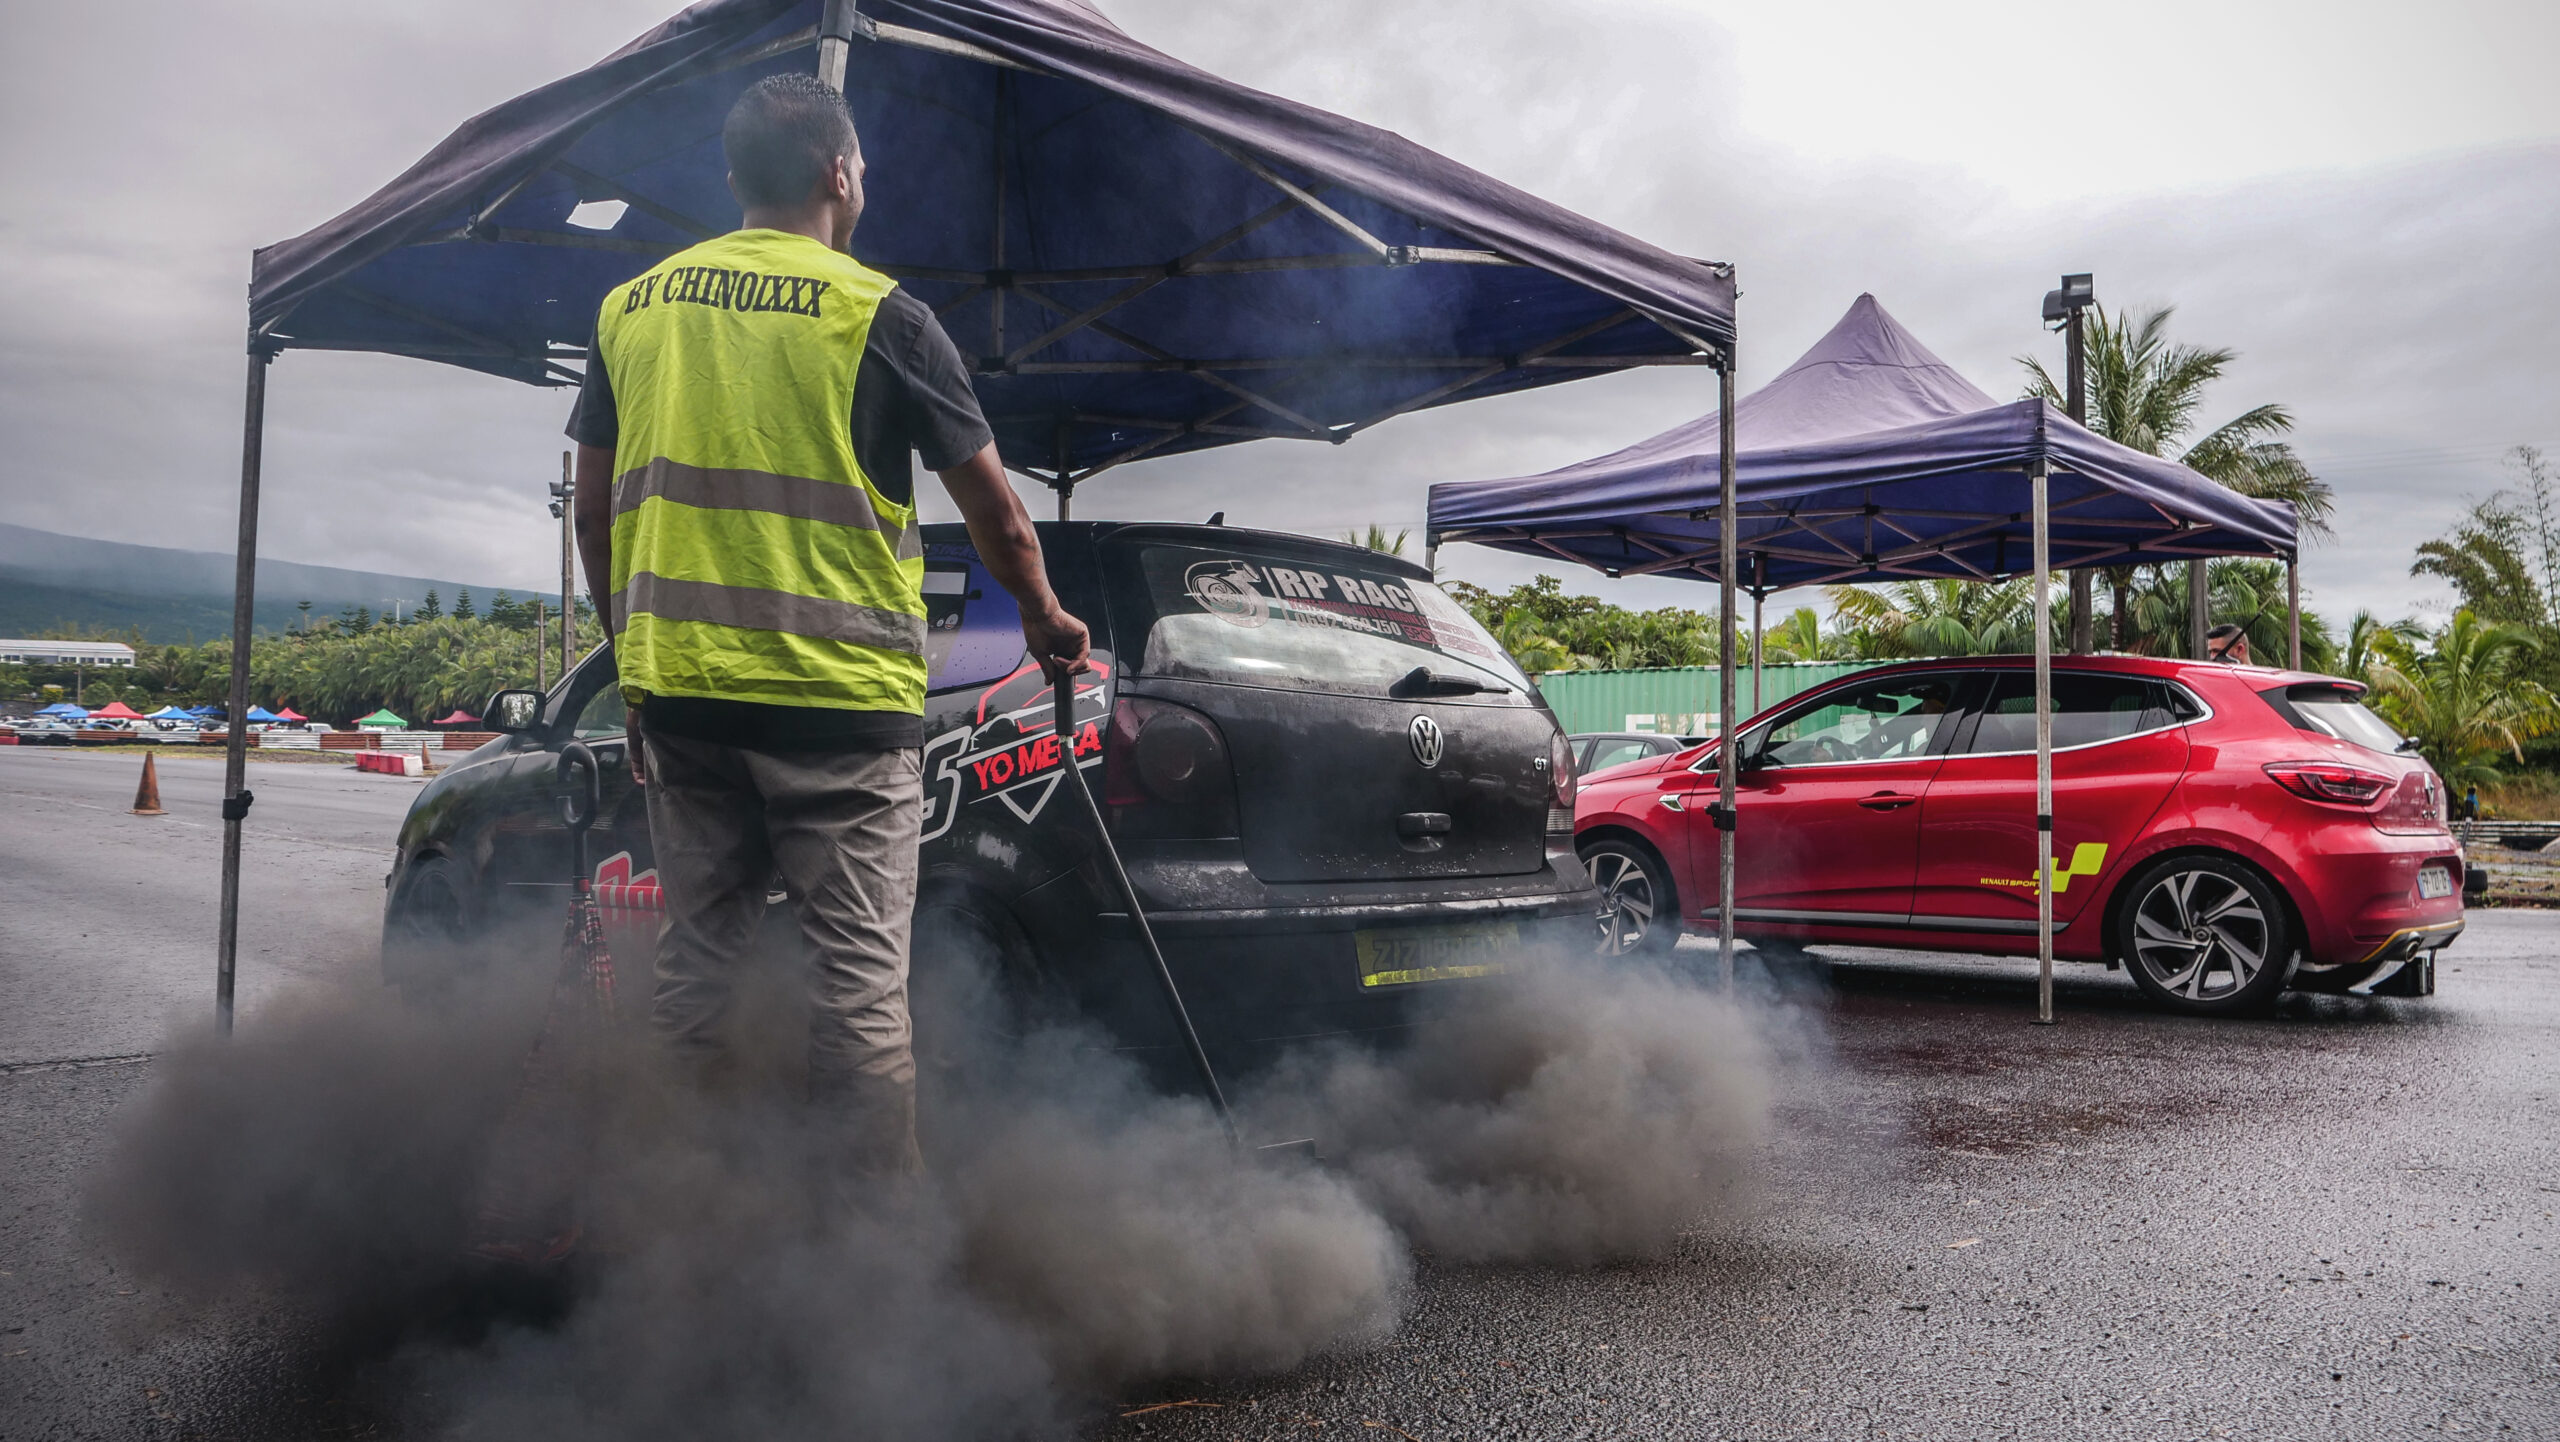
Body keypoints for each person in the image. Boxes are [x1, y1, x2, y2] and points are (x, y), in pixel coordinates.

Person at [567, 74, 1089, 1177]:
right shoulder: (882, 317)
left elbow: (594, 506)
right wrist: (1044, 618)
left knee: (694, 967)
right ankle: (868, 1262)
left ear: (734, 178)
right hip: (840, 709)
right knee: (854, 983)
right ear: (839, 172)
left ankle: (681, 1218)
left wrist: (632, 656)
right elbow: (996, 513)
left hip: (684, 697)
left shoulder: (634, 308)